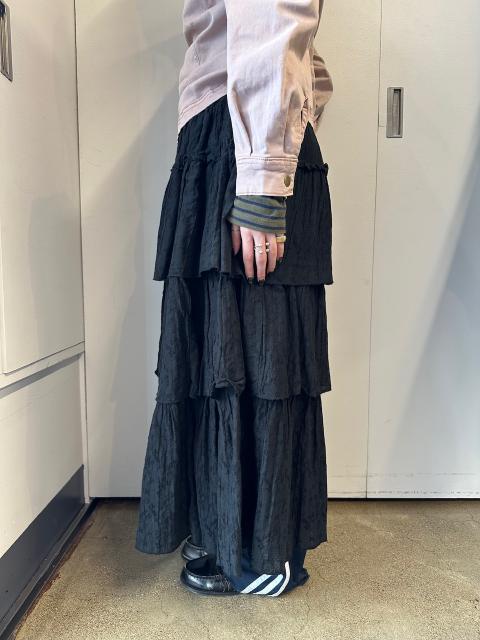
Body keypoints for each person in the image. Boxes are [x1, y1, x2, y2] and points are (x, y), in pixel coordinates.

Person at [135, 0, 334, 597]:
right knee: (236, 349)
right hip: (235, 135)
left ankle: (248, 542)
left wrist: (268, 163)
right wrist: (272, 151)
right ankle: (235, 536)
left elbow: (276, 19)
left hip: (241, 138)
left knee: (252, 350)